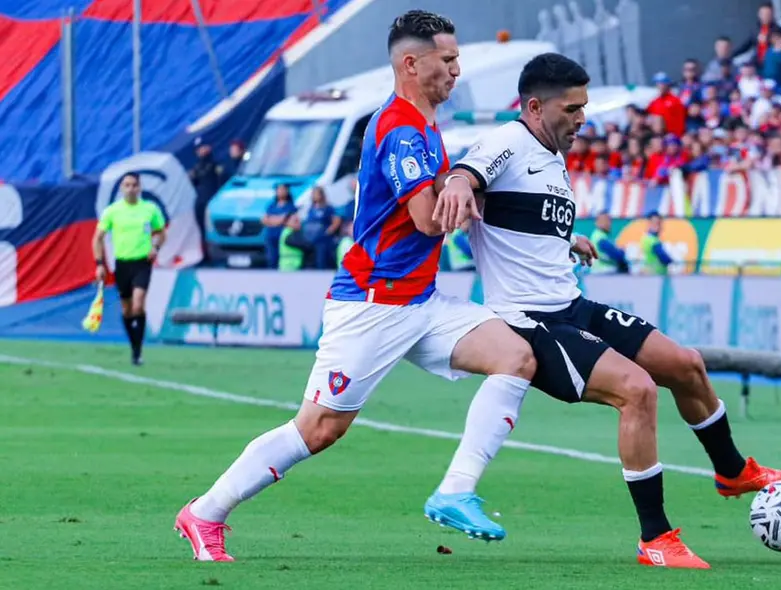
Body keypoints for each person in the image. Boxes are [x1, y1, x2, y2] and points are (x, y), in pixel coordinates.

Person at [174, 11, 536, 561]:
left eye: (458, 59)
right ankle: (205, 512)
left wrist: (488, 201)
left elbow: (441, 205)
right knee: (318, 429)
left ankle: (456, 490)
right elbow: (426, 219)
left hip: (421, 300)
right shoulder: (400, 128)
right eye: (448, 59)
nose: (458, 70)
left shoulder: (423, 123)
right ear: (411, 64)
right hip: (373, 305)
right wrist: (469, 196)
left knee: (515, 356)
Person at [430, 52, 781, 570]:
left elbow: (520, 219)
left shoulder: (549, 151)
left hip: (572, 305)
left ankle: (733, 471)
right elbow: (466, 175)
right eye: (573, 108)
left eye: (584, 106)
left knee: (684, 364)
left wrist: (568, 240)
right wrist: (455, 185)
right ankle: (656, 538)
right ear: (535, 106)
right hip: (531, 323)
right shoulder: (507, 140)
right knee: (637, 391)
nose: (582, 117)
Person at [92, 172, 166, 366]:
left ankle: (138, 351)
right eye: (127, 185)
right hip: (122, 264)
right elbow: (97, 238)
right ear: (121, 188)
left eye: (134, 185)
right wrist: (99, 264)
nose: (131, 188)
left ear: (139, 187)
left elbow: (160, 232)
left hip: (142, 263)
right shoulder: (112, 211)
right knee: (126, 310)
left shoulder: (150, 209)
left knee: (138, 304)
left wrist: (155, 247)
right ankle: (134, 346)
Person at [261, 184, 297, 269]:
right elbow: (264, 219)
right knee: (271, 259)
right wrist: (280, 220)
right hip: (271, 236)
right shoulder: (272, 205)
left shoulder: (290, 206)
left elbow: (290, 221)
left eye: (283, 190)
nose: (281, 192)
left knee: (281, 259)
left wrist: (273, 220)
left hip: (283, 238)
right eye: (279, 190)